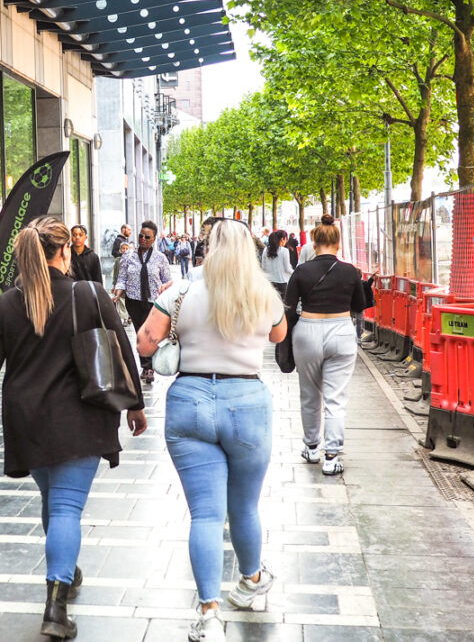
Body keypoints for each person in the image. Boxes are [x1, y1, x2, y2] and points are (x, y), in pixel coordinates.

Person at [0, 216, 148, 640]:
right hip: (81, 416)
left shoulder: (6, 304)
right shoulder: (89, 294)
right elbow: (122, 348)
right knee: (66, 509)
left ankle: (65, 571)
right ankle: (55, 607)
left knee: (54, 502)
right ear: (66, 250)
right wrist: (135, 406)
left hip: (27, 420)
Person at [136, 220, 287, 642]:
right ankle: (252, 580)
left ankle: (209, 615)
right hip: (247, 403)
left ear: (209, 247)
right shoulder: (263, 295)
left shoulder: (180, 292)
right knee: (244, 507)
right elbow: (278, 334)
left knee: (205, 513)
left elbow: (145, 343)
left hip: (190, 400)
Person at [285, 214, 366, 476]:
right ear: (338, 244)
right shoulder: (350, 271)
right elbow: (359, 306)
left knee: (309, 394)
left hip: (307, 331)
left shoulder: (301, 271)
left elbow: (288, 307)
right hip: (341, 331)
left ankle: (311, 447)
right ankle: (332, 456)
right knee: (335, 398)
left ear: (313, 243)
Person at [113, 221, 172, 384]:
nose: (143, 239)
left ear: (154, 239)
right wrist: (118, 293)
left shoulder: (160, 258)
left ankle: (150, 366)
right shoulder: (128, 256)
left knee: (151, 333)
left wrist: (167, 295)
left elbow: (168, 281)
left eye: (147, 237)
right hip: (134, 301)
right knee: (140, 333)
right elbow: (122, 278)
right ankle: (146, 367)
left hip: (154, 302)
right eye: (141, 236)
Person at [261, 229, 293, 303]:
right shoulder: (284, 251)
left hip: (269, 283)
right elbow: (287, 269)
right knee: (282, 305)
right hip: (282, 282)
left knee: (270, 305)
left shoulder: (266, 250)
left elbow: (263, 268)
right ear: (282, 239)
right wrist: (295, 273)